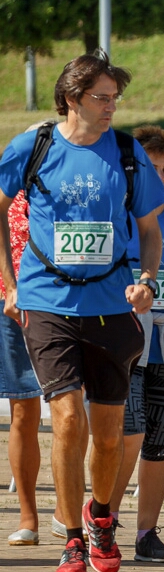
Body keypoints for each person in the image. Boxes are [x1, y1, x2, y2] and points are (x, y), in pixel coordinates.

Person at [0, 52, 164, 572]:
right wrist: (9, 285)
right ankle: (72, 539)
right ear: (71, 98)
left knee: (110, 433)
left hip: (112, 306)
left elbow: (149, 230)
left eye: (115, 97)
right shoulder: (36, 145)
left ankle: (100, 517)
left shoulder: (127, 152)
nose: (111, 106)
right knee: (67, 419)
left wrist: (146, 279)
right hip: (46, 300)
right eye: (101, 97)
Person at [105, 126, 164, 563]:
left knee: (161, 442)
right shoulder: (117, 213)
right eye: (150, 167)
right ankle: (104, 520)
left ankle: (146, 534)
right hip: (126, 342)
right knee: (129, 434)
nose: (160, 177)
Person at [2, 185, 44, 546]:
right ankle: (28, 516)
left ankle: (68, 511)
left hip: (64, 304)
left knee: (72, 411)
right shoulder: (6, 195)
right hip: (9, 306)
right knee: (22, 410)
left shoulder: (70, 186)